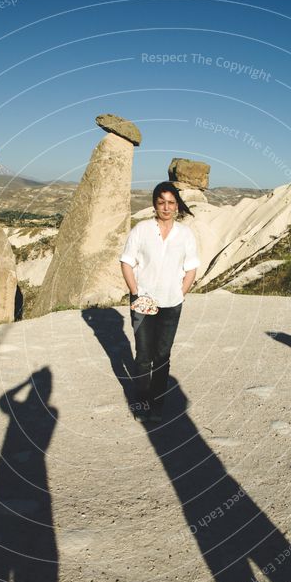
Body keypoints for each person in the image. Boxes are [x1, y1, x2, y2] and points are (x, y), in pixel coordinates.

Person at [119, 181, 200, 423]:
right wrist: (136, 293)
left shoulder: (185, 234)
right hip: (143, 302)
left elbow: (191, 269)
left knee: (163, 355)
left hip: (171, 303)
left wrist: (180, 293)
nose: (166, 207)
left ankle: (157, 402)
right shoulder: (141, 230)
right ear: (155, 204)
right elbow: (126, 262)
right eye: (161, 202)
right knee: (144, 354)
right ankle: (142, 400)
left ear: (177, 206)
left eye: (171, 202)